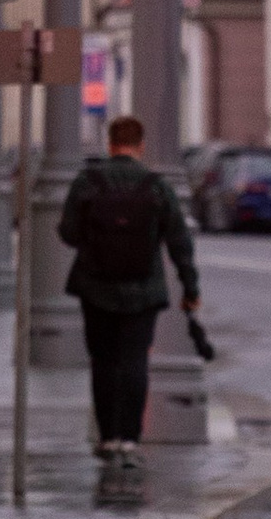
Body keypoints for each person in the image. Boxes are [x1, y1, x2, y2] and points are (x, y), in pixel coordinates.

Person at [58, 114, 200, 493]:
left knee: (103, 361)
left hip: (96, 287)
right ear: (141, 145)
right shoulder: (156, 186)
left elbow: (68, 232)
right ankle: (130, 440)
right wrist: (190, 287)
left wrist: (96, 242)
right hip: (143, 289)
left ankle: (107, 438)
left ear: (110, 144)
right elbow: (179, 241)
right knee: (135, 361)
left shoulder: (88, 182)